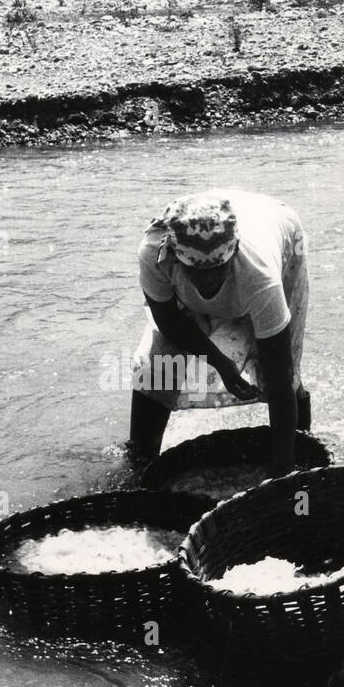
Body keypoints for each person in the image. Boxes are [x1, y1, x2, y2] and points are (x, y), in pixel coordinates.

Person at [129, 190, 310, 476]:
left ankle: (302, 455)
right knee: (157, 364)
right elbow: (167, 320)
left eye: (217, 269)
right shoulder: (155, 254)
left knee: (282, 371)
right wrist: (220, 362)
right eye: (197, 272)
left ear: (234, 253)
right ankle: (138, 463)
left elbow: (279, 373)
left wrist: (281, 478)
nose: (208, 280)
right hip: (206, 217)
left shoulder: (260, 277)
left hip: (282, 231)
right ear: (176, 257)